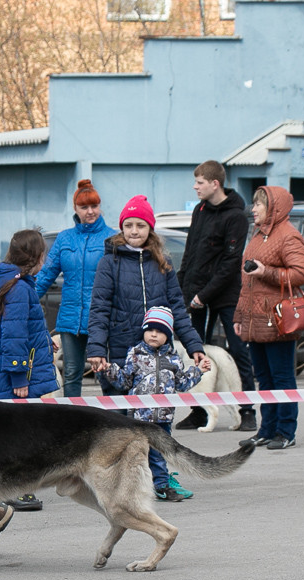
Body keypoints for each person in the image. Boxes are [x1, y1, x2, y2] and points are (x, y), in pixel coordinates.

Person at [86, 195, 212, 501]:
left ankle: (159, 478)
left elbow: (178, 311)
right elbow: (99, 308)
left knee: (155, 423)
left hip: (158, 358)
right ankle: (118, 481)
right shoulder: (109, 262)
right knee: (118, 424)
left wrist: (194, 345)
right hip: (119, 351)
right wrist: (97, 349)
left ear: (150, 229)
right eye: (128, 225)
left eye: (140, 225)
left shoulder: (163, 264)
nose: (133, 230)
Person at [175, 160, 257, 433]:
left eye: (199, 182)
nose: (195, 187)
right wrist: (183, 288)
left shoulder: (235, 216)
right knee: (196, 351)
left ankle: (247, 411)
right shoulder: (199, 210)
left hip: (225, 295)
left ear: (215, 184)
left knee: (238, 351)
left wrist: (205, 295)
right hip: (196, 293)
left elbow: (230, 263)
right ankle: (199, 410)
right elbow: (191, 251)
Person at [233, 185, 304, 450]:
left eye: (258, 204)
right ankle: (266, 429)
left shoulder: (288, 235)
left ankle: (286, 431)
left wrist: (267, 271)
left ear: (273, 208)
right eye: (254, 204)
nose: (252, 209)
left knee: (282, 378)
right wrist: (239, 315)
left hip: (278, 319)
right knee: (264, 378)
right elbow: (247, 281)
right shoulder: (257, 236)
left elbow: (302, 273)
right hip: (255, 320)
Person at [0, 229, 59, 512]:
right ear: (36, 257)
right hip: (17, 378)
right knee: (17, 436)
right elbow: (13, 335)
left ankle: (14, 487)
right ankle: (14, 489)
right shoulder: (18, 289)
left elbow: (24, 328)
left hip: (20, 372)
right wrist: (19, 376)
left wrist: (44, 342)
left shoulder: (21, 285)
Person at [105, 306, 209, 500]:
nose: (154, 334)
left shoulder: (173, 358)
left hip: (164, 416)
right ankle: (137, 485)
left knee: (160, 452)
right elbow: (124, 381)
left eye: (160, 331)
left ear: (168, 335)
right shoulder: (135, 354)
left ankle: (160, 485)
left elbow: (183, 383)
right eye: (150, 329)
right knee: (137, 453)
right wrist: (109, 369)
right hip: (139, 417)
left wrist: (198, 371)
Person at [35, 179, 116, 398]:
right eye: (84, 207)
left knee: (106, 373)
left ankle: (114, 420)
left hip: (102, 317)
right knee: (71, 372)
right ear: (75, 209)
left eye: (94, 206)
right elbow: (45, 275)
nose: (90, 211)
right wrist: (25, 299)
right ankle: (74, 421)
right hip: (71, 319)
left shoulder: (112, 238)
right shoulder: (64, 239)